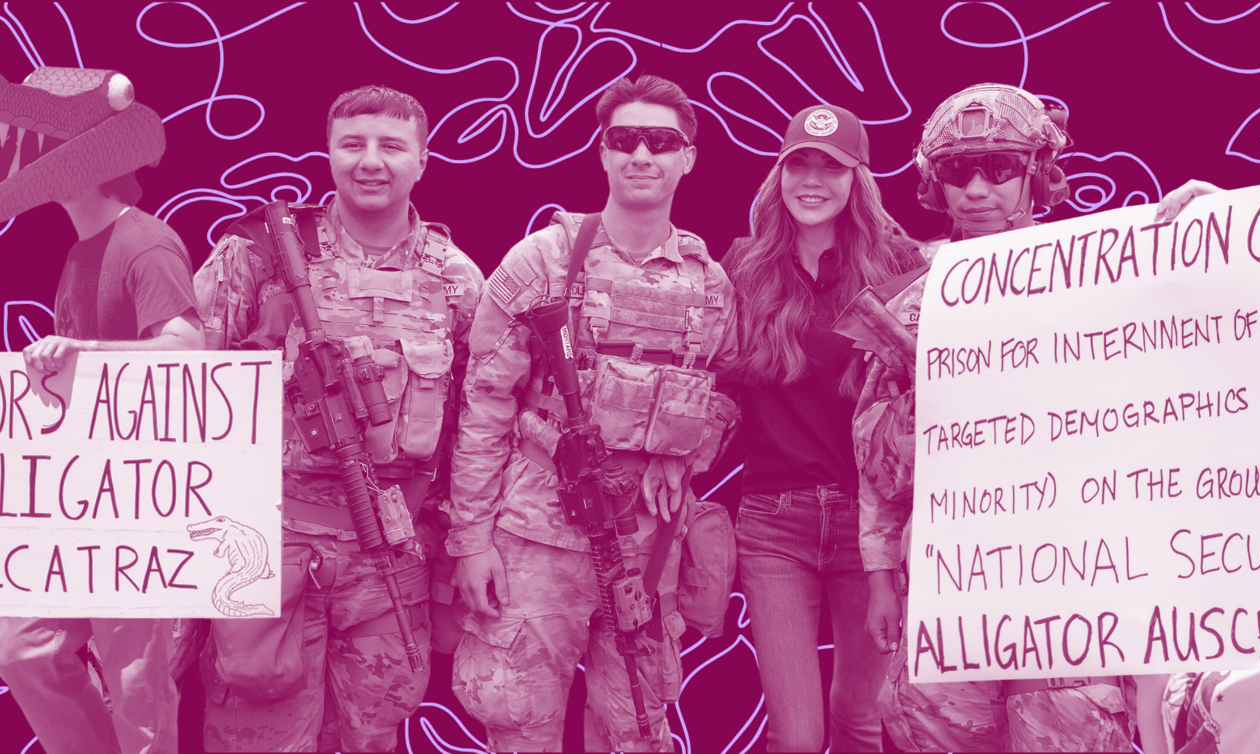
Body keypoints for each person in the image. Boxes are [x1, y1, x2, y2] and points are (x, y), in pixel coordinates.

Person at [448, 74, 738, 753]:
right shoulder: (542, 260)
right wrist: (471, 541)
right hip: (536, 539)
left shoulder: (709, 282)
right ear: (603, 154)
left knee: (634, 725)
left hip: (647, 543)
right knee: (520, 723)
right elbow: (485, 405)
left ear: (688, 157)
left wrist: (683, 450)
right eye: (625, 140)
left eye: (661, 141)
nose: (643, 154)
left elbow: (719, 396)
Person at [193, 85, 483, 752]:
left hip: (390, 555)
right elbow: (184, 371)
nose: (370, 161)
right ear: (328, 154)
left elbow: (479, 427)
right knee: (255, 737)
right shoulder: (259, 257)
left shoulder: (457, 282)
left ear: (423, 161)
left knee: (372, 737)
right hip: (268, 548)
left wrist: (459, 546)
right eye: (353, 144)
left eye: (391, 146)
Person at [860, 82, 1139, 752]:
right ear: (936, 183)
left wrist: (1200, 219)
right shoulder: (910, 306)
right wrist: (878, 579)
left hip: (1073, 579)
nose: (977, 189)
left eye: (1000, 168)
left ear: (1037, 175)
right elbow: (874, 464)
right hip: (949, 578)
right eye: (958, 172)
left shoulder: (1100, 282)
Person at [0, 67, 202, 754]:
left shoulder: (145, 242)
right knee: (25, 648)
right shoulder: (82, 249)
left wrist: (81, 350)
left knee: (139, 685)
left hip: (134, 506)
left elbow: (186, 349)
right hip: (80, 495)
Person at [720, 103, 923, 752]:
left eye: (831, 167)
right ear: (778, 173)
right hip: (773, 525)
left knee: (863, 721)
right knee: (798, 738)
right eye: (798, 163)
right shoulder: (741, 269)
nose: (813, 179)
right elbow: (708, 393)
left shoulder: (901, 266)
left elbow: (1005, 261)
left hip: (868, 533)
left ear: (856, 178)